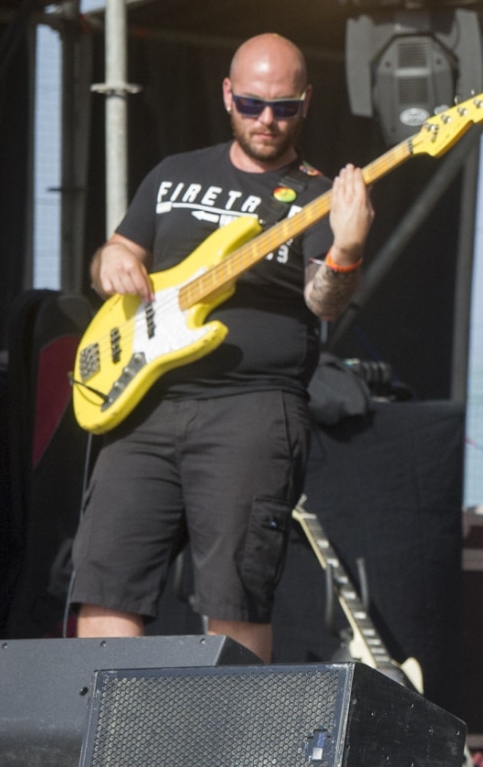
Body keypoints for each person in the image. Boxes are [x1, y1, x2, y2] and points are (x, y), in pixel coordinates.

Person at [70, 33, 373, 661]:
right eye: (254, 104)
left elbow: (324, 303)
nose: (267, 120)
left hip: (251, 409)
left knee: (234, 603)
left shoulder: (314, 195)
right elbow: (119, 250)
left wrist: (345, 250)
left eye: (284, 108)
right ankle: (112, 725)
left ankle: (229, 726)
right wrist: (112, 262)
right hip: (142, 404)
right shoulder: (173, 173)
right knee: (104, 591)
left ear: (306, 103)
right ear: (228, 94)